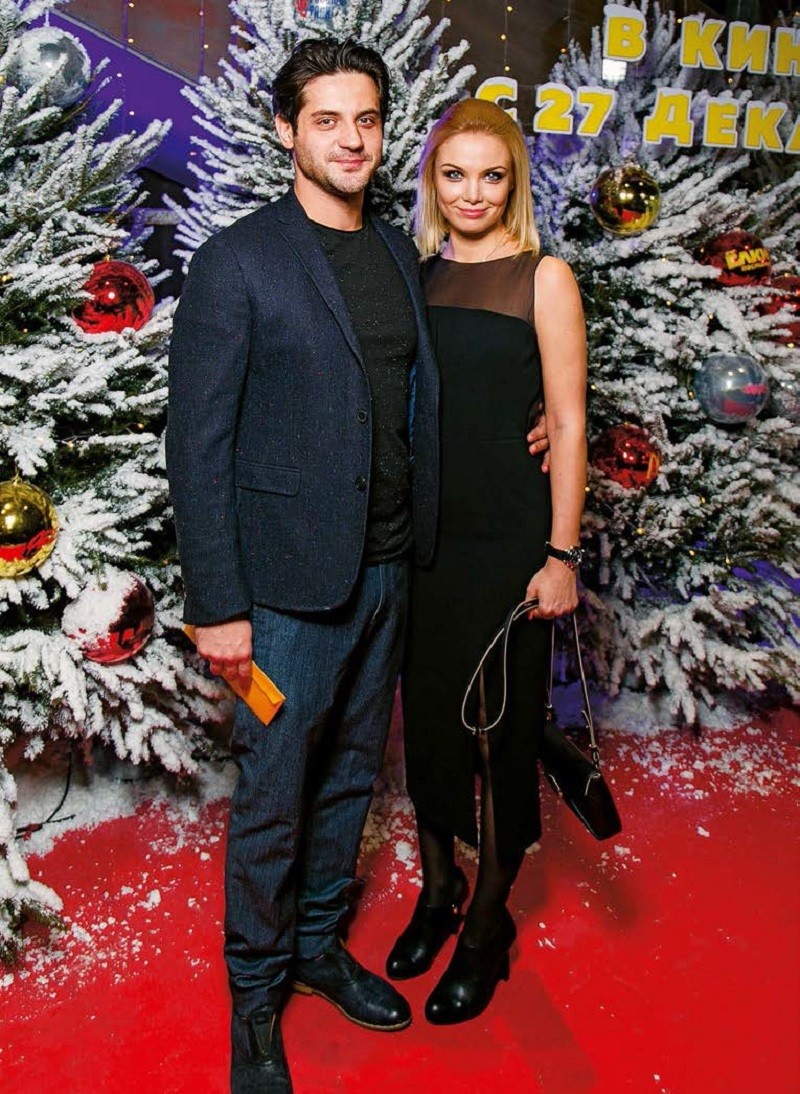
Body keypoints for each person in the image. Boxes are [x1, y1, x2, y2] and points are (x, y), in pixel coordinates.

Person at [166, 38, 440, 1094]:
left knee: (351, 781)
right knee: (275, 796)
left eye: (366, 119)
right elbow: (197, 446)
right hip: (280, 596)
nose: (351, 139)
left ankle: (319, 947)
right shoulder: (237, 261)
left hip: (385, 573)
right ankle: (254, 995)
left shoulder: (395, 254)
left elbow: (413, 397)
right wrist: (218, 605)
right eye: (327, 119)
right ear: (287, 129)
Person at [386, 97, 588, 1025]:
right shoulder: (414, 274)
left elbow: (569, 423)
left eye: (491, 175)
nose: (472, 193)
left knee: (495, 731)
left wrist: (561, 553)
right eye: (454, 174)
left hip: (508, 540)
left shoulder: (544, 277)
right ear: (433, 180)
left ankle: (487, 924)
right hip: (423, 540)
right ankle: (438, 890)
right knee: (428, 722)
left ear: (514, 183)